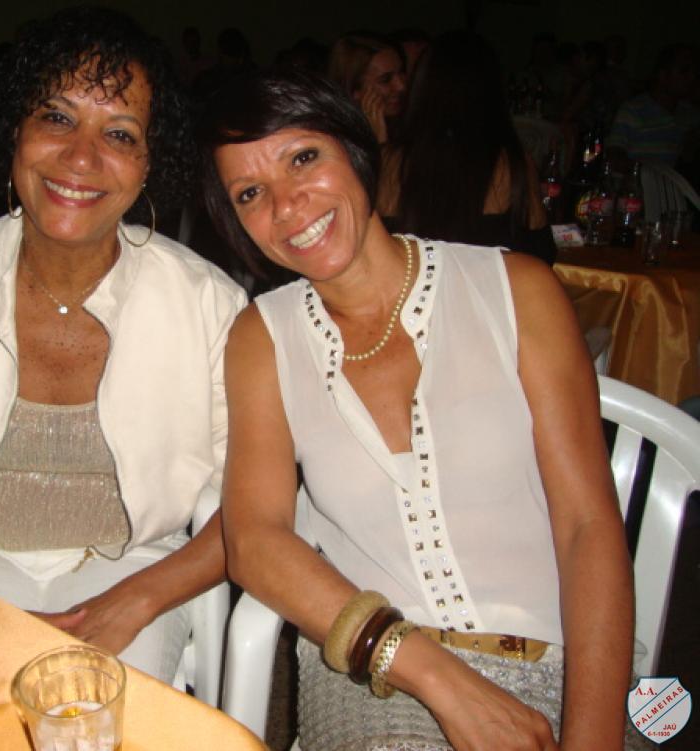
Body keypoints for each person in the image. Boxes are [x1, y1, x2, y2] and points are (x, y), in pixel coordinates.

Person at [199, 68, 648, 749]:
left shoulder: (516, 291)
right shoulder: (262, 338)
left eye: (304, 158)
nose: (287, 205)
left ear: (356, 151)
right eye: (250, 193)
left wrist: (593, 736)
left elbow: (589, 524)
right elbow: (257, 540)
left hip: (562, 662)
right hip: (378, 678)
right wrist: (434, 675)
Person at [0, 6, 247, 685]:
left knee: (95, 714)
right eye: (57, 117)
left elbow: (251, 500)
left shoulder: (209, 305)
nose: (81, 157)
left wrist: (139, 598)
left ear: (150, 163)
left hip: (134, 563)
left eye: (119, 133)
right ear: (15, 131)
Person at [378, 31, 557, 265]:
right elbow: (541, 254)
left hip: (413, 286)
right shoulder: (510, 163)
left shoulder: (389, 161)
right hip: (486, 287)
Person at [609, 44, 699, 169]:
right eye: (684, 71)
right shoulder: (632, 111)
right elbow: (614, 158)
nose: (692, 77)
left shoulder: (690, 114)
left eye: (694, 72)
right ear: (663, 76)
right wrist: (648, 173)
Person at [327, 32, 406, 145]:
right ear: (354, 90)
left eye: (402, 72)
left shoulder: (408, 124)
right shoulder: (337, 140)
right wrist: (379, 141)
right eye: (385, 80)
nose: (401, 86)